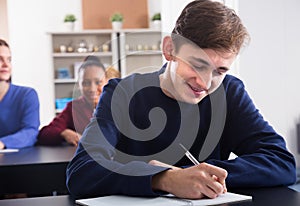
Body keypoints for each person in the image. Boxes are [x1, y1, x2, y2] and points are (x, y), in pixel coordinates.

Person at [66, 0, 296, 200]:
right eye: (197, 65)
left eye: (220, 70)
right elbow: (82, 172)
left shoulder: (229, 92)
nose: (205, 82)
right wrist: (163, 179)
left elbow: (281, 162)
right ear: (169, 49)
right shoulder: (122, 92)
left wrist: (195, 176)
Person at [37, 56, 120, 146]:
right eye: (86, 83)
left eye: (98, 82)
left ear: (106, 82)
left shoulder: (119, 105)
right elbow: (45, 134)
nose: (92, 89)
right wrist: (64, 133)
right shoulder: (74, 107)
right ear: (79, 85)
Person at [0, 39, 40, 149]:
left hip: (18, 161)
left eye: (9, 59)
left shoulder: (27, 95)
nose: (6, 65)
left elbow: (31, 132)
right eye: (0, 59)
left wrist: (2, 143)